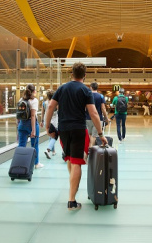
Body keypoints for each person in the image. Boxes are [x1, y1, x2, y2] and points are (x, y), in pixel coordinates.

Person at [45, 62, 108, 211]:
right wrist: (100, 134)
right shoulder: (85, 91)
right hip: (79, 129)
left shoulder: (62, 88)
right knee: (77, 163)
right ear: (85, 75)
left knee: (70, 159)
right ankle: (71, 200)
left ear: (71, 73)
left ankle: (73, 186)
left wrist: (47, 126)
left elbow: (50, 106)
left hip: (64, 130)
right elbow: (93, 113)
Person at [17, 84, 43, 169]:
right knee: (34, 145)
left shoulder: (21, 100)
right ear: (34, 91)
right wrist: (33, 130)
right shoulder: (34, 100)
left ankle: (19, 164)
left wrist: (19, 126)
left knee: (21, 145)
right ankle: (36, 163)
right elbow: (32, 116)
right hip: (31, 124)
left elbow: (19, 115)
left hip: (22, 124)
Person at [86, 82, 109, 147]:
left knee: (89, 134)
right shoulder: (100, 96)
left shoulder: (87, 95)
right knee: (94, 136)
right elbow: (103, 108)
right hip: (98, 119)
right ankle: (90, 150)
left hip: (88, 118)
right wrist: (106, 118)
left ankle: (88, 149)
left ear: (91, 87)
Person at [40, 89, 57, 158]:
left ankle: (53, 151)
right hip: (54, 121)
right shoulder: (55, 103)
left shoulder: (44, 103)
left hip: (46, 121)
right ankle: (49, 150)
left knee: (51, 135)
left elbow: (42, 112)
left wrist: (41, 121)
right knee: (54, 136)